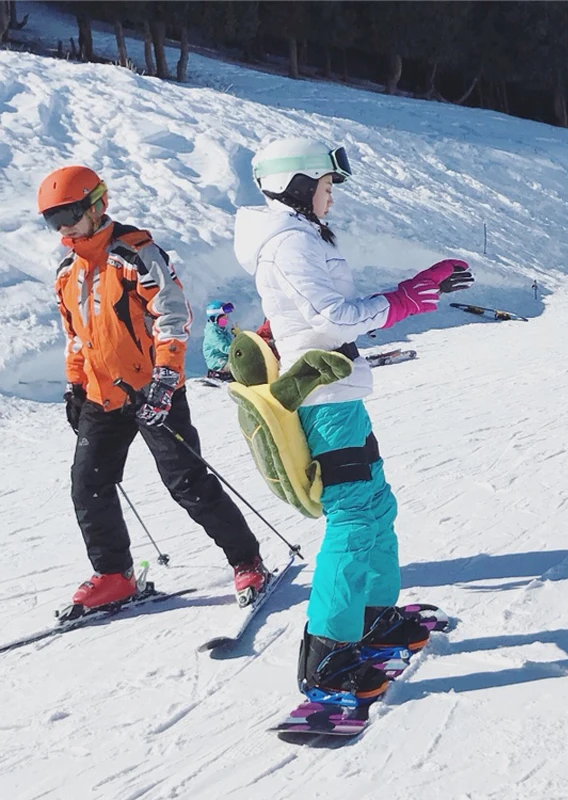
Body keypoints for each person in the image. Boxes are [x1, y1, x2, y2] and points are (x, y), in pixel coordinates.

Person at [234, 137, 473, 704]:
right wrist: (405, 298)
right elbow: (327, 315)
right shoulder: (287, 245)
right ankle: (328, 654)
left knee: (377, 506)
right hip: (323, 399)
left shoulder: (302, 237)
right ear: (296, 185)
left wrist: (410, 292)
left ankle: (373, 617)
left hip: (339, 391)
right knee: (352, 517)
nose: (330, 199)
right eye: (323, 187)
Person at [38, 165, 268, 609]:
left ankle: (247, 561)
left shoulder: (135, 254)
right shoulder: (68, 271)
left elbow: (173, 316)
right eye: (54, 219)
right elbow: (76, 335)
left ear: (96, 204)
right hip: (101, 397)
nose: (64, 226)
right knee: (88, 485)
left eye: (70, 213)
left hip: (151, 390)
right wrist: (74, 386)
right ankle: (113, 574)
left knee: (187, 483)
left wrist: (165, 378)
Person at [203, 300, 236, 381]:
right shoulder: (213, 333)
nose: (226, 320)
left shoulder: (222, 330)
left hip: (226, 359)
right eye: (224, 317)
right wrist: (239, 350)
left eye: (227, 317)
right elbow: (225, 348)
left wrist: (238, 336)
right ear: (215, 317)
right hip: (218, 363)